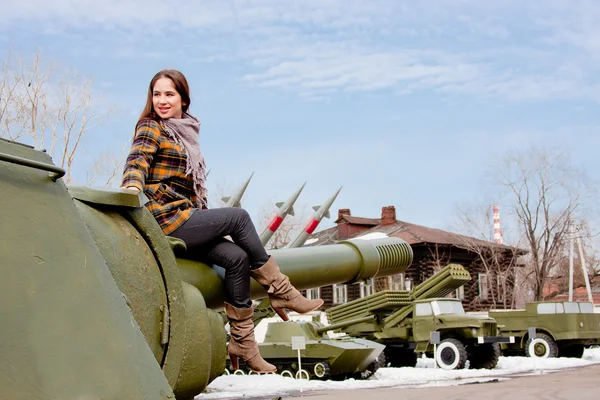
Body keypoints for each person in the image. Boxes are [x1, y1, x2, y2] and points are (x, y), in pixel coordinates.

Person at [120, 69, 323, 374]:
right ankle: (282, 291)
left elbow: (191, 188)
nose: (162, 101)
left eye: (169, 94)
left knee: (236, 258)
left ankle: (243, 343)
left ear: (184, 99)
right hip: (165, 218)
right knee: (238, 217)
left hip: (186, 216)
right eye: (157, 94)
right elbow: (137, 161)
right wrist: (132, 188)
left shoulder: (184, 133)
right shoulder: (151, 127)